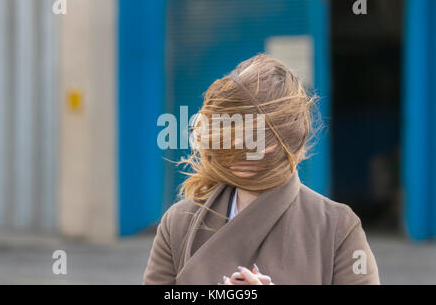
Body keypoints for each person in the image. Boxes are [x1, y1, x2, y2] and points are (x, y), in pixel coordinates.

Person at [143, 54, 380, 285]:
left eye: (257, 135)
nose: (240, 146)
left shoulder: (337, 228)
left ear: (290, 137)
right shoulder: (179, 223)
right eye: (233, 131)